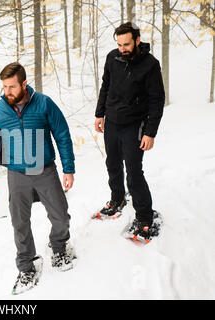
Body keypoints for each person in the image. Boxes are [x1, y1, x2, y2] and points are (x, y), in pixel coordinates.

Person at [0, 62, 76, 294]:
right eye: (4, 87)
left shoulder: (44, 103)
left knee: (60, 216)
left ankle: (59, 245)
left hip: (45, 170)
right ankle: (27, 265)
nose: (7, 92)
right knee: (20, 223)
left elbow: (62, 134)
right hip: (16, 173)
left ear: (24, 84)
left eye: (12, 86)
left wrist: (68, 168)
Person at [94, 22, 165, 241]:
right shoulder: (112, 58)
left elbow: (157, 100)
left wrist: (150, 132)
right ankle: (117, 199)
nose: (122, 48)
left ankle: (144, 217)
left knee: (134, 172)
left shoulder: (150, 65)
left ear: (137, 40)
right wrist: (99, 114)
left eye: (126, 44)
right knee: (112, 164)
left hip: (135, 125)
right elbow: (106, 86)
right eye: (119, 44)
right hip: (112, 122)